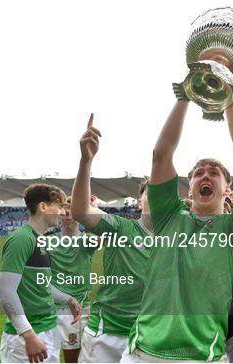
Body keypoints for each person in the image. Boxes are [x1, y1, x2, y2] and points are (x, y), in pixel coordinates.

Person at [122, 61, 233, 362]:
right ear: (188, 189)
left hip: (202, 356)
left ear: (228, 189)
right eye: (198, 173)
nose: (205, 176)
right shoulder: (168, 217)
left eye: (214, 173)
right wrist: (184, 95)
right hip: (142, 353)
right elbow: (161, 154)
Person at [71, 114, 153, 362]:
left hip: (148, 337)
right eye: (153, 191)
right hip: (107, 335)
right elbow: (81, 211)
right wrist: (86, 161)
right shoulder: (120, 228)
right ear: (139, 202)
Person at [0, 184, 81, 363]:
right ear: (43, 207)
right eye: (59, 206)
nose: (62, 212)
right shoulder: (21, 239)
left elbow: (40, 283)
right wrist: (28, 335)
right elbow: (6, 293)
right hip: (27, 337)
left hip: (48, 328)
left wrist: (68, 299)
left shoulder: (40, 240)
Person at [49, 198, 95, 362]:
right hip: (61, 308)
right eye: (65, 213)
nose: (69, 217)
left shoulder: (87, 240)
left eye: (73, 214)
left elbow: (105, 236)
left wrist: (91, 211)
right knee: (70, 356)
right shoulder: (49, 242)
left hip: (84, 304)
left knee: (86, 354)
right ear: (60, 216)